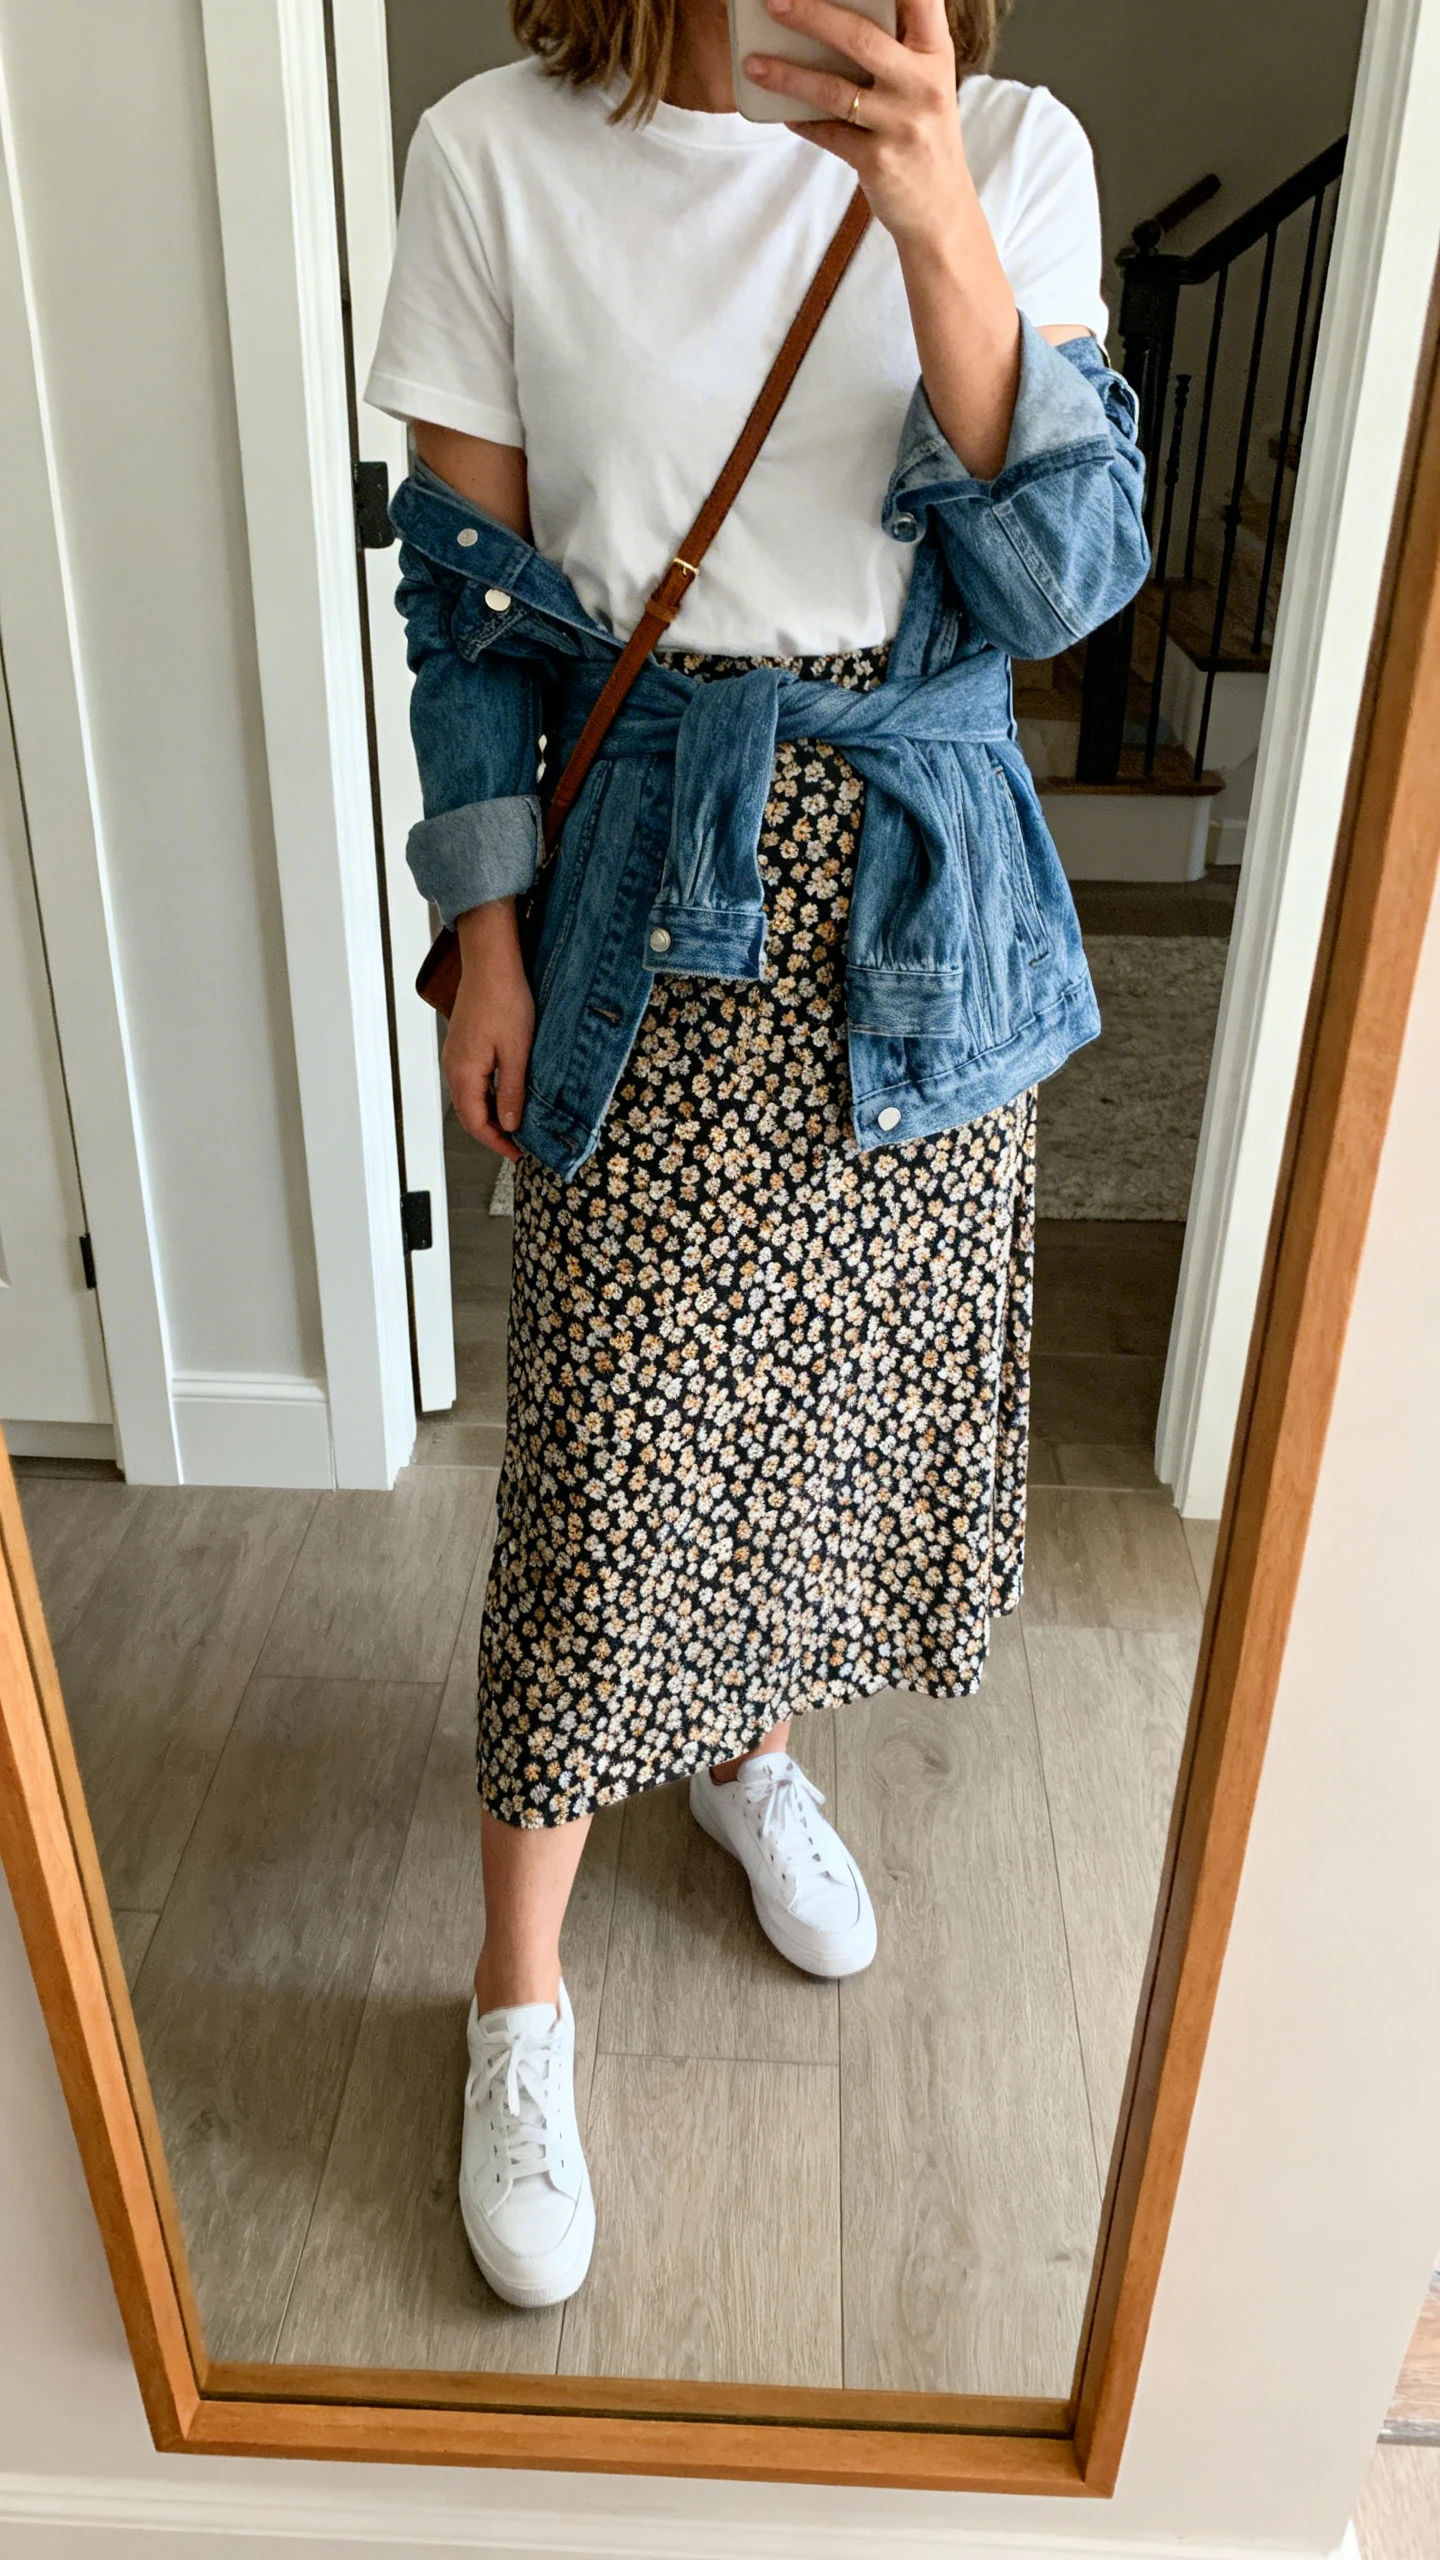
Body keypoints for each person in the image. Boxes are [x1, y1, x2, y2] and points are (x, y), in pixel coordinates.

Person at [364, 0, 1148, 2310]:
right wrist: (482, 936)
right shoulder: (494, 155)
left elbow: (1066, 586)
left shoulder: (1012, 150)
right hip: (639, 892)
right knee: (605, 1465)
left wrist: (930, 218)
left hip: (922, 909)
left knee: (818, 1412)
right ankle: (519, 1992)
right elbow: (466, 613)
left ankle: (743, 1748)